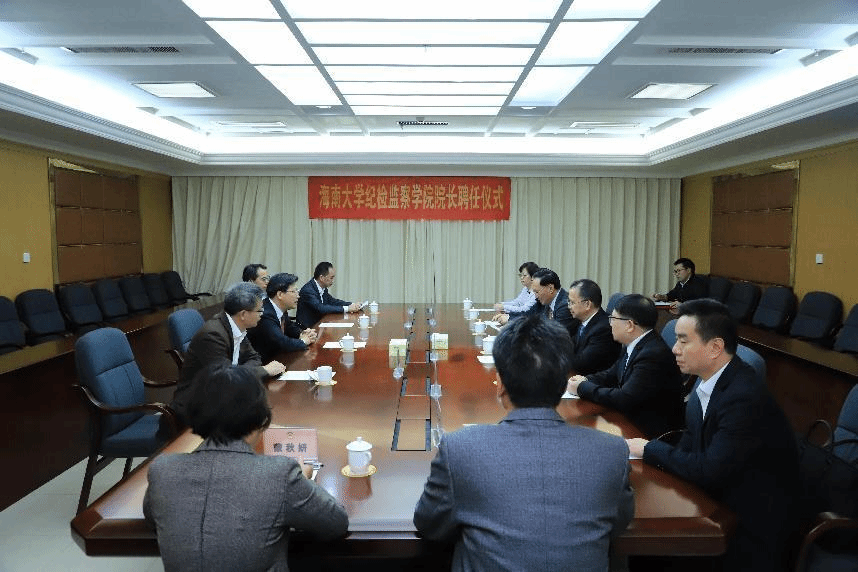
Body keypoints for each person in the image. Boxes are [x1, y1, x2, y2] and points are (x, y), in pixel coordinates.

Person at [414, 315, 633, 571]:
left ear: (500, 385)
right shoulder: (612, 451)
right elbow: (617, 523)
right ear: (563, 382)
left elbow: (429, 524)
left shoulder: (460, 448)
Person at [627, 299, 799, 572]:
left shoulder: (742, 396)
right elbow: (691, 443)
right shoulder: (710, 380)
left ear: (716, 347)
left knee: (647, 553)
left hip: (752, 525)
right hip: (719, 498)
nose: (674, 349)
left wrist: (650, 449)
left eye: (683, 341)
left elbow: (709, 470)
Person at [145, 365, 349, 572]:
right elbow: (336, 523)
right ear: (261, 419)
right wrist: (302, 480)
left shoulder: (162, 470)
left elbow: (155, 520)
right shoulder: (279, 474)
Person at [567, 294, 684, 438]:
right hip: (631, 417)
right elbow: (610, 375)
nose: (610, 324)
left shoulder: (653, 355)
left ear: (629, 325)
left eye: (613, 319)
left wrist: (582, 387)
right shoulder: (635, 343)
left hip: (648, 432)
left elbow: (624, 398)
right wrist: (583, 379)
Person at [170, 283, 285, 425]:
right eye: (259, 311)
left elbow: (254, 357)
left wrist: (240, 372)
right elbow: (225, 379)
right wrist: (264, 370)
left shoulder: (237, 327)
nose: (262, 314)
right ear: (243, 314)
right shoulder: (213, 335)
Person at [248, 273, 318, 363]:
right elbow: (282, 343)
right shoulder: (265, 313)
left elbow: (290, 327)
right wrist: (304, 341)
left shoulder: (279, 308)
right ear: (280, 294)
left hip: (277, 359)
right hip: (262, 364)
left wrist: (304, 333)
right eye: (294, 291)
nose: (298, 295)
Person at [566, 278, 621, 375]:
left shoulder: (604, 329)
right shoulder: (583, 321)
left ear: (587, 304)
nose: (569, 306)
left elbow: (582, 364)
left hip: (594, 379)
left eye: (572, 302)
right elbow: (570, 346)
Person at [296, 261, 361, 327]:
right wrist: (347, 308)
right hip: (308, 328)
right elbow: (321, 308)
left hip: (320, 324)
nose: (333, 281)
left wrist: (352, 304)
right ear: (322, 278)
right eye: (331, 278)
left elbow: (332, 301)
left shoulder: (322, 287)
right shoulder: (308, 290)